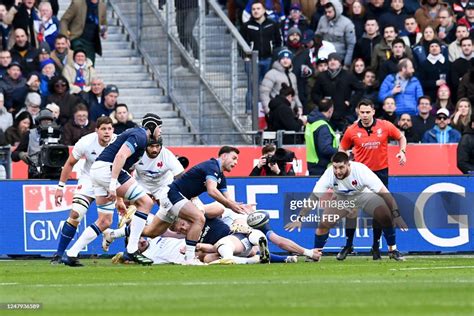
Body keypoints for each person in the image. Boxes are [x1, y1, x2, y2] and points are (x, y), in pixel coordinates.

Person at [123, 146, 254, 265]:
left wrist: (240, 208)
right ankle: (190, 259)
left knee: (152, 232)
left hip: (173, 199)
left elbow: (227, 200)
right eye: (234, 158)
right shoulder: (212, 167)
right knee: (199, 218)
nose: (236, 162)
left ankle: (122, 231)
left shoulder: (220, 176)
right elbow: (212, 191)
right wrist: (231, 206)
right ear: (224, 156)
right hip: (173, 195)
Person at [62, 113, 163, 266]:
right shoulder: (141, 135)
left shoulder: (137, 135)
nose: (160, 131)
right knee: (146, 203)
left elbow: (123, 163)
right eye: (159, 127)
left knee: (104, 221)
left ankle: (71, 253)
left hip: (97, 170)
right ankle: (132, 249)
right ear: (152, 126)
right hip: (107, 170)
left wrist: (118, 195)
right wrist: (112, 184)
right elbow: (120, 156)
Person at [285, 152, 407, 261]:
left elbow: (386, 194)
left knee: (384, 213)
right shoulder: (329, 174)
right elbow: (314, 198)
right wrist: (300, 218)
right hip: (342, 198)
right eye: (335, 168)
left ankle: (392, 250)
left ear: (349, 165)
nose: (337, 171)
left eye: (341, 167)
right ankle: (316, 253)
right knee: (324, 223)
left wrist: (397, 215)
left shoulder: (361, 171)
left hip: (364, 195)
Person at [337, 99, 407, 260]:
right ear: (358, 112)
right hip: (359, 175)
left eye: (368, 112)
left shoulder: (385, 126)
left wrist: (402, 151)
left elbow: (401, 137)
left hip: (380, 173)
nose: (365, 115)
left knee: (381, 212)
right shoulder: (351, 130)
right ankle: (348, 245)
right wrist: (344, 157)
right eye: (362, 112)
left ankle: (377, 246)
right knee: (351, 210)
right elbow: (342, 148)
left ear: (373, 112)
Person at [50, 116, 115, 264]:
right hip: (88, 180)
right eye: (103, 129)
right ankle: (59, 254)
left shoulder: (118, 142)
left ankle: (123, 247)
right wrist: (60, 187)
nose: (107, 132)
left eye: (109, 129)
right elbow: (69, 163)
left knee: (106, 221)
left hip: (107, 183)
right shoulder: (85, 142)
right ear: (96, 130)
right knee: (75, 214)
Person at [311, 52, 364, 131]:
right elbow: (314, 93)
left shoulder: (347, 75)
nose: (332, 62)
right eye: (330, 60)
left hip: (344, 113)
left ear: (339, 62)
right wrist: (321, 102)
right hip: (327, 114)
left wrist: (351, 102)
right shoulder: (322, 76)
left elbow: (360, 89)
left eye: (335, 59)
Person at [240, 1, 282, 83]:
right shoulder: (246, 26)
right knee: (252, 88)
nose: (255, 11)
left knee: (267, 86)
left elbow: (279, 41)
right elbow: (241, 43)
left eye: (258, 9)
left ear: (264, 10)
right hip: (252, 60)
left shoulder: (273, 24)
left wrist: (274, 56)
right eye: (253, 9)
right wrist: (246, 58)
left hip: (269, 59)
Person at [10, 109, 60, 179]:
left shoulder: (58, 135)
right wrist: (21, 154)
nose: (46, 123)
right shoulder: (30, 134)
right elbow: (13, 155)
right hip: (35, 173)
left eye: (49, 121)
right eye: (44, 121)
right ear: (38, 122)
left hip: (55, 173)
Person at [60, 0, 108, 65]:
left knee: (89, 67)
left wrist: (103, 31)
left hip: (92, 43)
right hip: (77, 38)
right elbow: (64, 20)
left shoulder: (102, 6)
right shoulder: (77, 3)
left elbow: (103, 22)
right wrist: (65, 37)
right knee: (79, 57)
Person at [260, 49, 303, 115]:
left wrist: (299, 107)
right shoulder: (271, 74)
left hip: (290, 111)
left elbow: (295, 94)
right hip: (276, 111)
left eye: (288, 58)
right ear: (279, 60)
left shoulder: (292, 76)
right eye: (283, 58)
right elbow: (264, 93)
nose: (285, 60)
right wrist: (268, 111)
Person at [315, 0, 356, 67]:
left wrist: (346, 64)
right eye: (326, 12)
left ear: (336, 11)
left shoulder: (347, 24)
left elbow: (350, 45)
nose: (327, 14)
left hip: (339, 58)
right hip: (324, 57)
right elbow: (317, 36)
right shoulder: (322, 19)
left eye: (329, 12)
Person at [305, 98, 338, 175]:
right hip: (322, 167)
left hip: (312, 163)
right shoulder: (323, 126)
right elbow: (325, 148)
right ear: (330, 110)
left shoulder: (311, 122)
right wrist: (339, 151)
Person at [175, 0, 199, 64]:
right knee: (181, 35)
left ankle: (197, 56)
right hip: (179, 8)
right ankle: (185, 58)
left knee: (188, 32)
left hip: (192, 8)